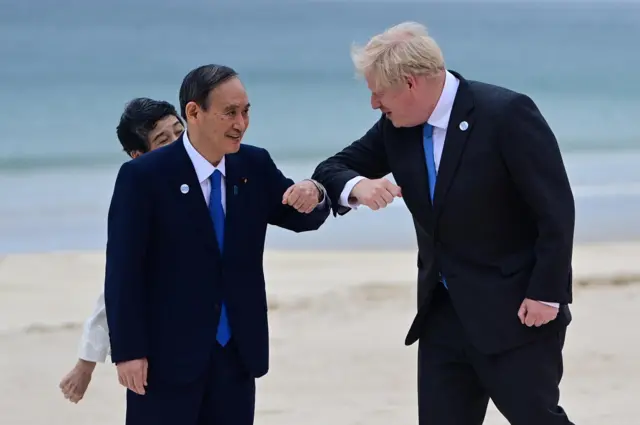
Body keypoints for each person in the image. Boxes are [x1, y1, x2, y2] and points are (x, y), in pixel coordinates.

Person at [312, 22, 575, 425]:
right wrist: (358, 185)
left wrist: (547, 293)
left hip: (516, 313)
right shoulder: (396, 127)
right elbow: (333, 167)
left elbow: (554, 208)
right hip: (442, 318)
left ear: (411, 84)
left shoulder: (505, 113)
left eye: (378, 92)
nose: (373, 103)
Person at [104, 64, 330, 425]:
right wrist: (128, 351)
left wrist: (315, 192)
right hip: (165, 361)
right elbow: (122, 271)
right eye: (229, 113)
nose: (240, 123)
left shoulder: (253, 164)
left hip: (237, 354)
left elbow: (303, 216)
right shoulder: (143, 177)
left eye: (245, 112)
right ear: (193, 112)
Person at [59, 97, 185, 403]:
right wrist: (86, 364)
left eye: (180, 132)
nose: (178, 144)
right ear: (138, 155)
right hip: (165, 348)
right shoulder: (143, 198)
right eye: (163, 140)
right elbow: (120, 283)